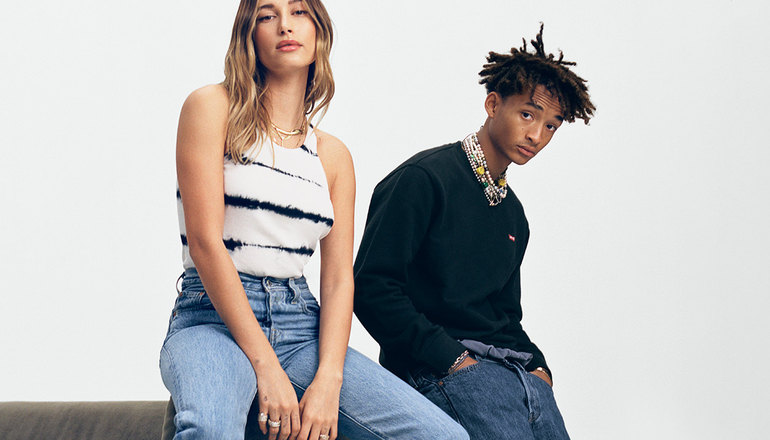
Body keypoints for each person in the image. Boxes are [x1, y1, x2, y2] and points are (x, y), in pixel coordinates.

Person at [159, 1, 470, 440]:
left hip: (301, 325)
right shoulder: (211, 107)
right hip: (211, 319)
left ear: (319, 31)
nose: (285, 26)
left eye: (299, 12)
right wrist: (266, 367)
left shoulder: (333, 156)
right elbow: (206, 243)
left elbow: (339, 279)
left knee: (444, 437)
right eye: (267, 15)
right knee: (210, 429)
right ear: (249, 35)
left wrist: (329, 379)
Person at [353, 24, 596, 440]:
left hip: (516, 376)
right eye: (527, 114)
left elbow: (504, 314)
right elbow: (372, 288)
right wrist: (451, 359)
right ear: (493, 104)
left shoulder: (513, 215)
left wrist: (539, 367)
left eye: (551, 126)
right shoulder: (423, 179)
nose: (536, 135)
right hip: (439, 371)